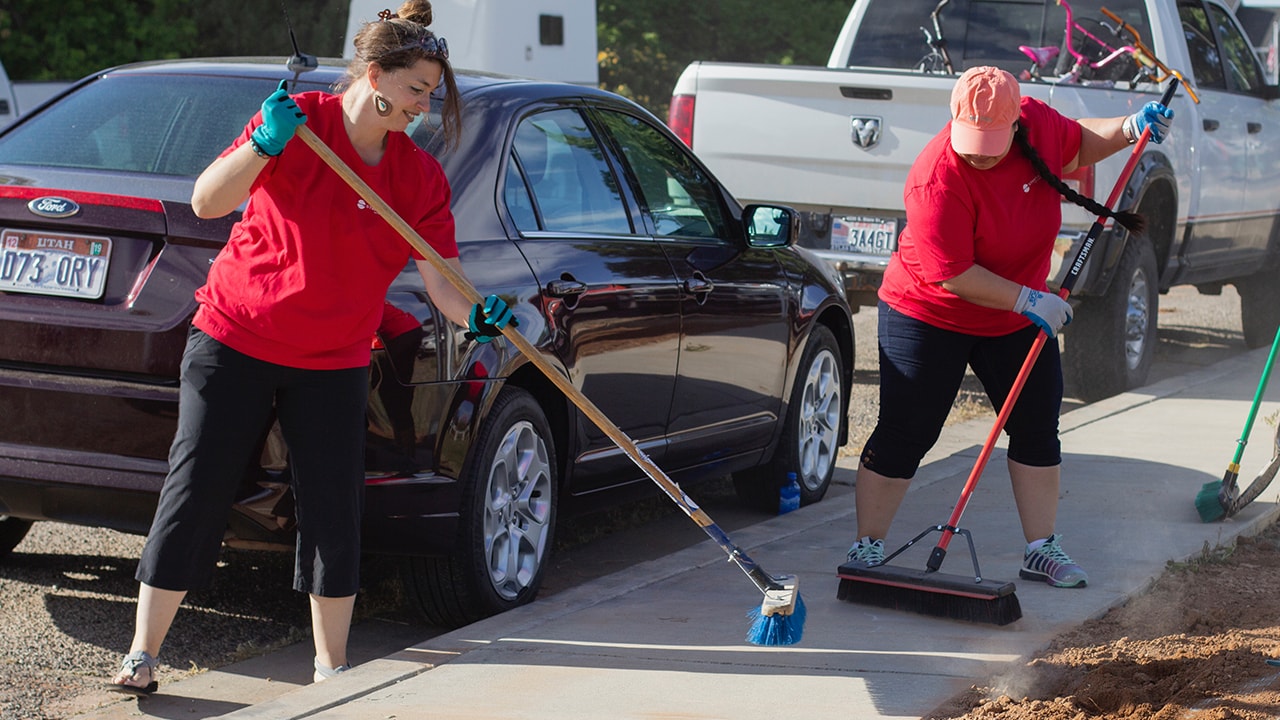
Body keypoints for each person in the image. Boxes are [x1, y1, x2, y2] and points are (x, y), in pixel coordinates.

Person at [107, 0, 517, 695]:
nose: (422, 107)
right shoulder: (299, 126)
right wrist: (262, 144)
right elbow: (207, 201)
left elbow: (443, 282)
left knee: (332, 506)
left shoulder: (416, 177)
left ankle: (332, 670)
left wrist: (477, 316)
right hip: (236, 334)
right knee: (198, 485)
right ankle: (142, 655)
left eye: (430, 95)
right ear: (377, 74)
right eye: (417, 89)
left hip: (333, 357)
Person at [845, 66, 1173, 588]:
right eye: (971, 142)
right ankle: (867, 547)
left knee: (1037, 424)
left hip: (1016, 312)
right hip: (929, 311)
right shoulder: (936, 176)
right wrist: (1028, 299)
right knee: (909, 428)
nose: (979, 153)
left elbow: (1078, 145)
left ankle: (1040, 549)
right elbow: (951, 274)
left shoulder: (1038, 125)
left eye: (991, 143)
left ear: (1017, 122)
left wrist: (1130, 127)